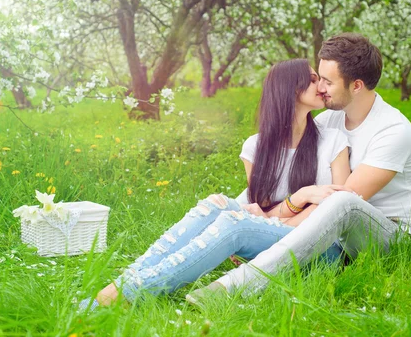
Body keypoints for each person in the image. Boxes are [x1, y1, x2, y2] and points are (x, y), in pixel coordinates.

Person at [79, 58, 350, 311]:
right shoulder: (256, 147)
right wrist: (297, 199)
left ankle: (128, 293)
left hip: (321, 246)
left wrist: (262, 222)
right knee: (212, 205)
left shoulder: (333, 140)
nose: (322, 86)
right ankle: (126, 281)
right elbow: (261, 207)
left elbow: (336, 210)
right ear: (291, 88)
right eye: (313, 79)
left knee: (235, 224)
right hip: (277, 233)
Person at [188, 33, 411, 300]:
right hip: (336, 236)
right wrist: (244, 214)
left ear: (357, 85)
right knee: (244, 198)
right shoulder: (329, 122)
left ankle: (234, 287)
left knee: (343, 200)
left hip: (391, 238)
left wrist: (268, 224)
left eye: (327, 81)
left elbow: (337, 203)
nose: (320, 88)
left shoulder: (393, 131)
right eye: (319, 79)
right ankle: (186, 256)